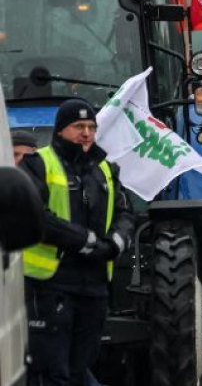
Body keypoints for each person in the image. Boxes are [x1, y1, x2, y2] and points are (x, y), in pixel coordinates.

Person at [19, 99, 135, 386]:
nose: (86, 133)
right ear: (60, 131)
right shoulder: (38, 164)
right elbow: (35, 216)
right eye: (78, 127)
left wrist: (115, 244)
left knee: (79, 369)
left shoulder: (105, 169)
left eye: (91, 127)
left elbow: (125, 213)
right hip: (51, 285)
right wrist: (85, 241)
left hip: (94, 285)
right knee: (52, 371)